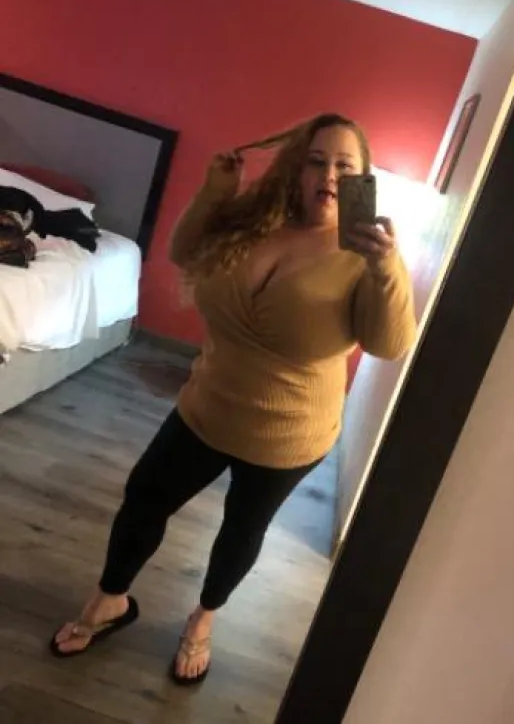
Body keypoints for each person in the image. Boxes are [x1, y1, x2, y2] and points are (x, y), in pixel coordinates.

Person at [49, 112, 417, 685]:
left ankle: (204, 618)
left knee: (242, 530)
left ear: (364, 179)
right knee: (145, 496)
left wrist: (386, 268)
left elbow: (390, 344)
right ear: (295, 168)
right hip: (209, 402)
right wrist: (216, 192)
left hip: (288, 432)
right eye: (316, 161)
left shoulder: (366, 255)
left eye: (345, 166)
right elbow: (184, 252)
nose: (329, 175)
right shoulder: (255, 219)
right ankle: (110, 599)